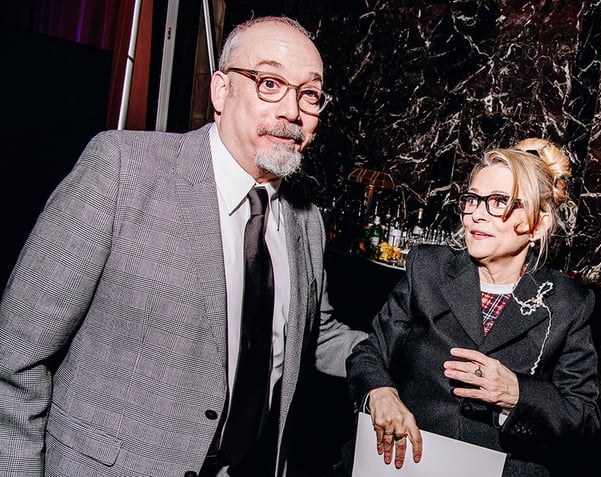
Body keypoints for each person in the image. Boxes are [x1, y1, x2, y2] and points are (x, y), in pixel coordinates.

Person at [0, 15, 366, 477]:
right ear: (220, 91)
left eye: (309, 94)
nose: (292, 111)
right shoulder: (121, 170)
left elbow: (314, 334)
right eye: (269, 83)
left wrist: (409, 362)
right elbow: (16, 358)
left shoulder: (306, 222)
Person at [345, 138, 601, 476]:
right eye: (473, 200)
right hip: (403, 463)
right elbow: (369, 353)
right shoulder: (428, 270)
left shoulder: (568, 303)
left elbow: (585, 418)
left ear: (537, 226)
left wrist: (517, 394)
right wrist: (379, 392)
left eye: (499, 202)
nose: (477, 215)